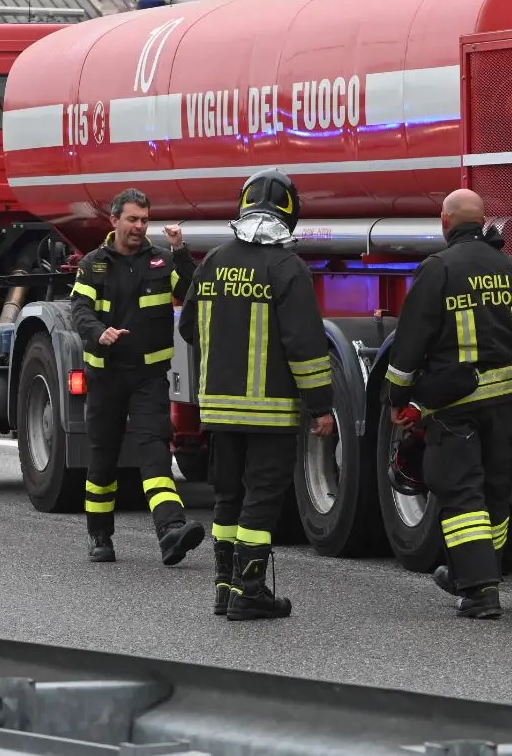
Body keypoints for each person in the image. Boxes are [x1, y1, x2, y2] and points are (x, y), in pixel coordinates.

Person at [178, 168, 335, 621]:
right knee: (262, 498)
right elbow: (305, 346)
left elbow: (188, 327)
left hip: (218, 409)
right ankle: (250, 591)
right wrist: (321, 407)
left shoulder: (212, 261)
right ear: (290, 212)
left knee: (227, 497)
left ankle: (225, 589)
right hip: (269, 411)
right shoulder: (287, 268)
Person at [381, 188, 512, 620]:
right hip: (506, 399)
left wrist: (398, 398)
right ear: (483, 221)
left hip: (456, 402)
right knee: (496, 491)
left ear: (445, 222)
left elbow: (411, 342)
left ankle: (479, 589)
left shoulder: (438, 269)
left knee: (460, 491)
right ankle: (479, 570)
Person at [69, 188, 205, 566]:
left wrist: (180, 251)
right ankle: (100, 535)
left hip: (149, 377)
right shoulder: (93, 265)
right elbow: (79, 310)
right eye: (132, 219)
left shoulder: (162, 261)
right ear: (114, 220)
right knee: (104, 457)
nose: (139, 227)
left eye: (144, 220)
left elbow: (193, 291)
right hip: (106, 375)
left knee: (155, 449)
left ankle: (171, 530)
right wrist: (99, 333)